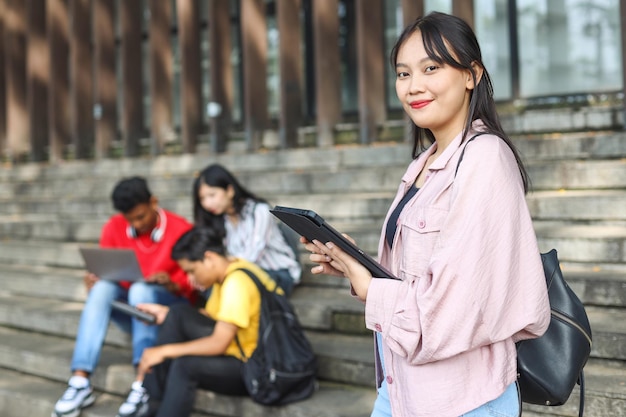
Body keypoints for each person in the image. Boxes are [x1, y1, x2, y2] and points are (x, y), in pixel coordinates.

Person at [303, 12, 551, 417]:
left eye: (431, 68)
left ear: (472, 74)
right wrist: (354, 264)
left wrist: (369, 289)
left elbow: (452, 308)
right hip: (401, 389)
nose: (413, 86)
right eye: (403, 73)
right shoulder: (423, 163)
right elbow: (418, 277)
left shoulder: (484, 159)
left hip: (462, 400)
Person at [52, 177, 196, 417]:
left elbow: (195, 286)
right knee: (102, 288)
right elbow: (107, 275)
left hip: (170, 309)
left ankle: (143, 381)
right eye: (130, 219)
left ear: (153, 202)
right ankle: (80, 381)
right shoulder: (114, 226)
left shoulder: (181, 229)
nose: (136, 224)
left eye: (141, 216)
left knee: (141, 289)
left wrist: (172, 283)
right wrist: (94, 282)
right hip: (133, 311)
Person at [126, 226, 283, 417]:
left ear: (209, 258)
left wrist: (163, 351)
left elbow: (219, 342)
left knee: (184, 365)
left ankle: (149, 400)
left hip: (256, 369)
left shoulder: (237, 283)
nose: (191, 280)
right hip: (242, 354)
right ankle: (150, 400)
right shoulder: (230, 271)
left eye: (192, 271)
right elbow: (213, 318)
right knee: (176, 314)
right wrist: (166, 314)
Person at [192, 163, 301, 295]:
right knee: (209, 286)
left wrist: (224, 267)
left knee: (235, 287)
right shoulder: (222, 220)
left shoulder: (259, 210)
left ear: (230, 191)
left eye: (212, 195)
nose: (207, 204)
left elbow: (254, 252)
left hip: (278, 272)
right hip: (243, 274)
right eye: (202, 198)